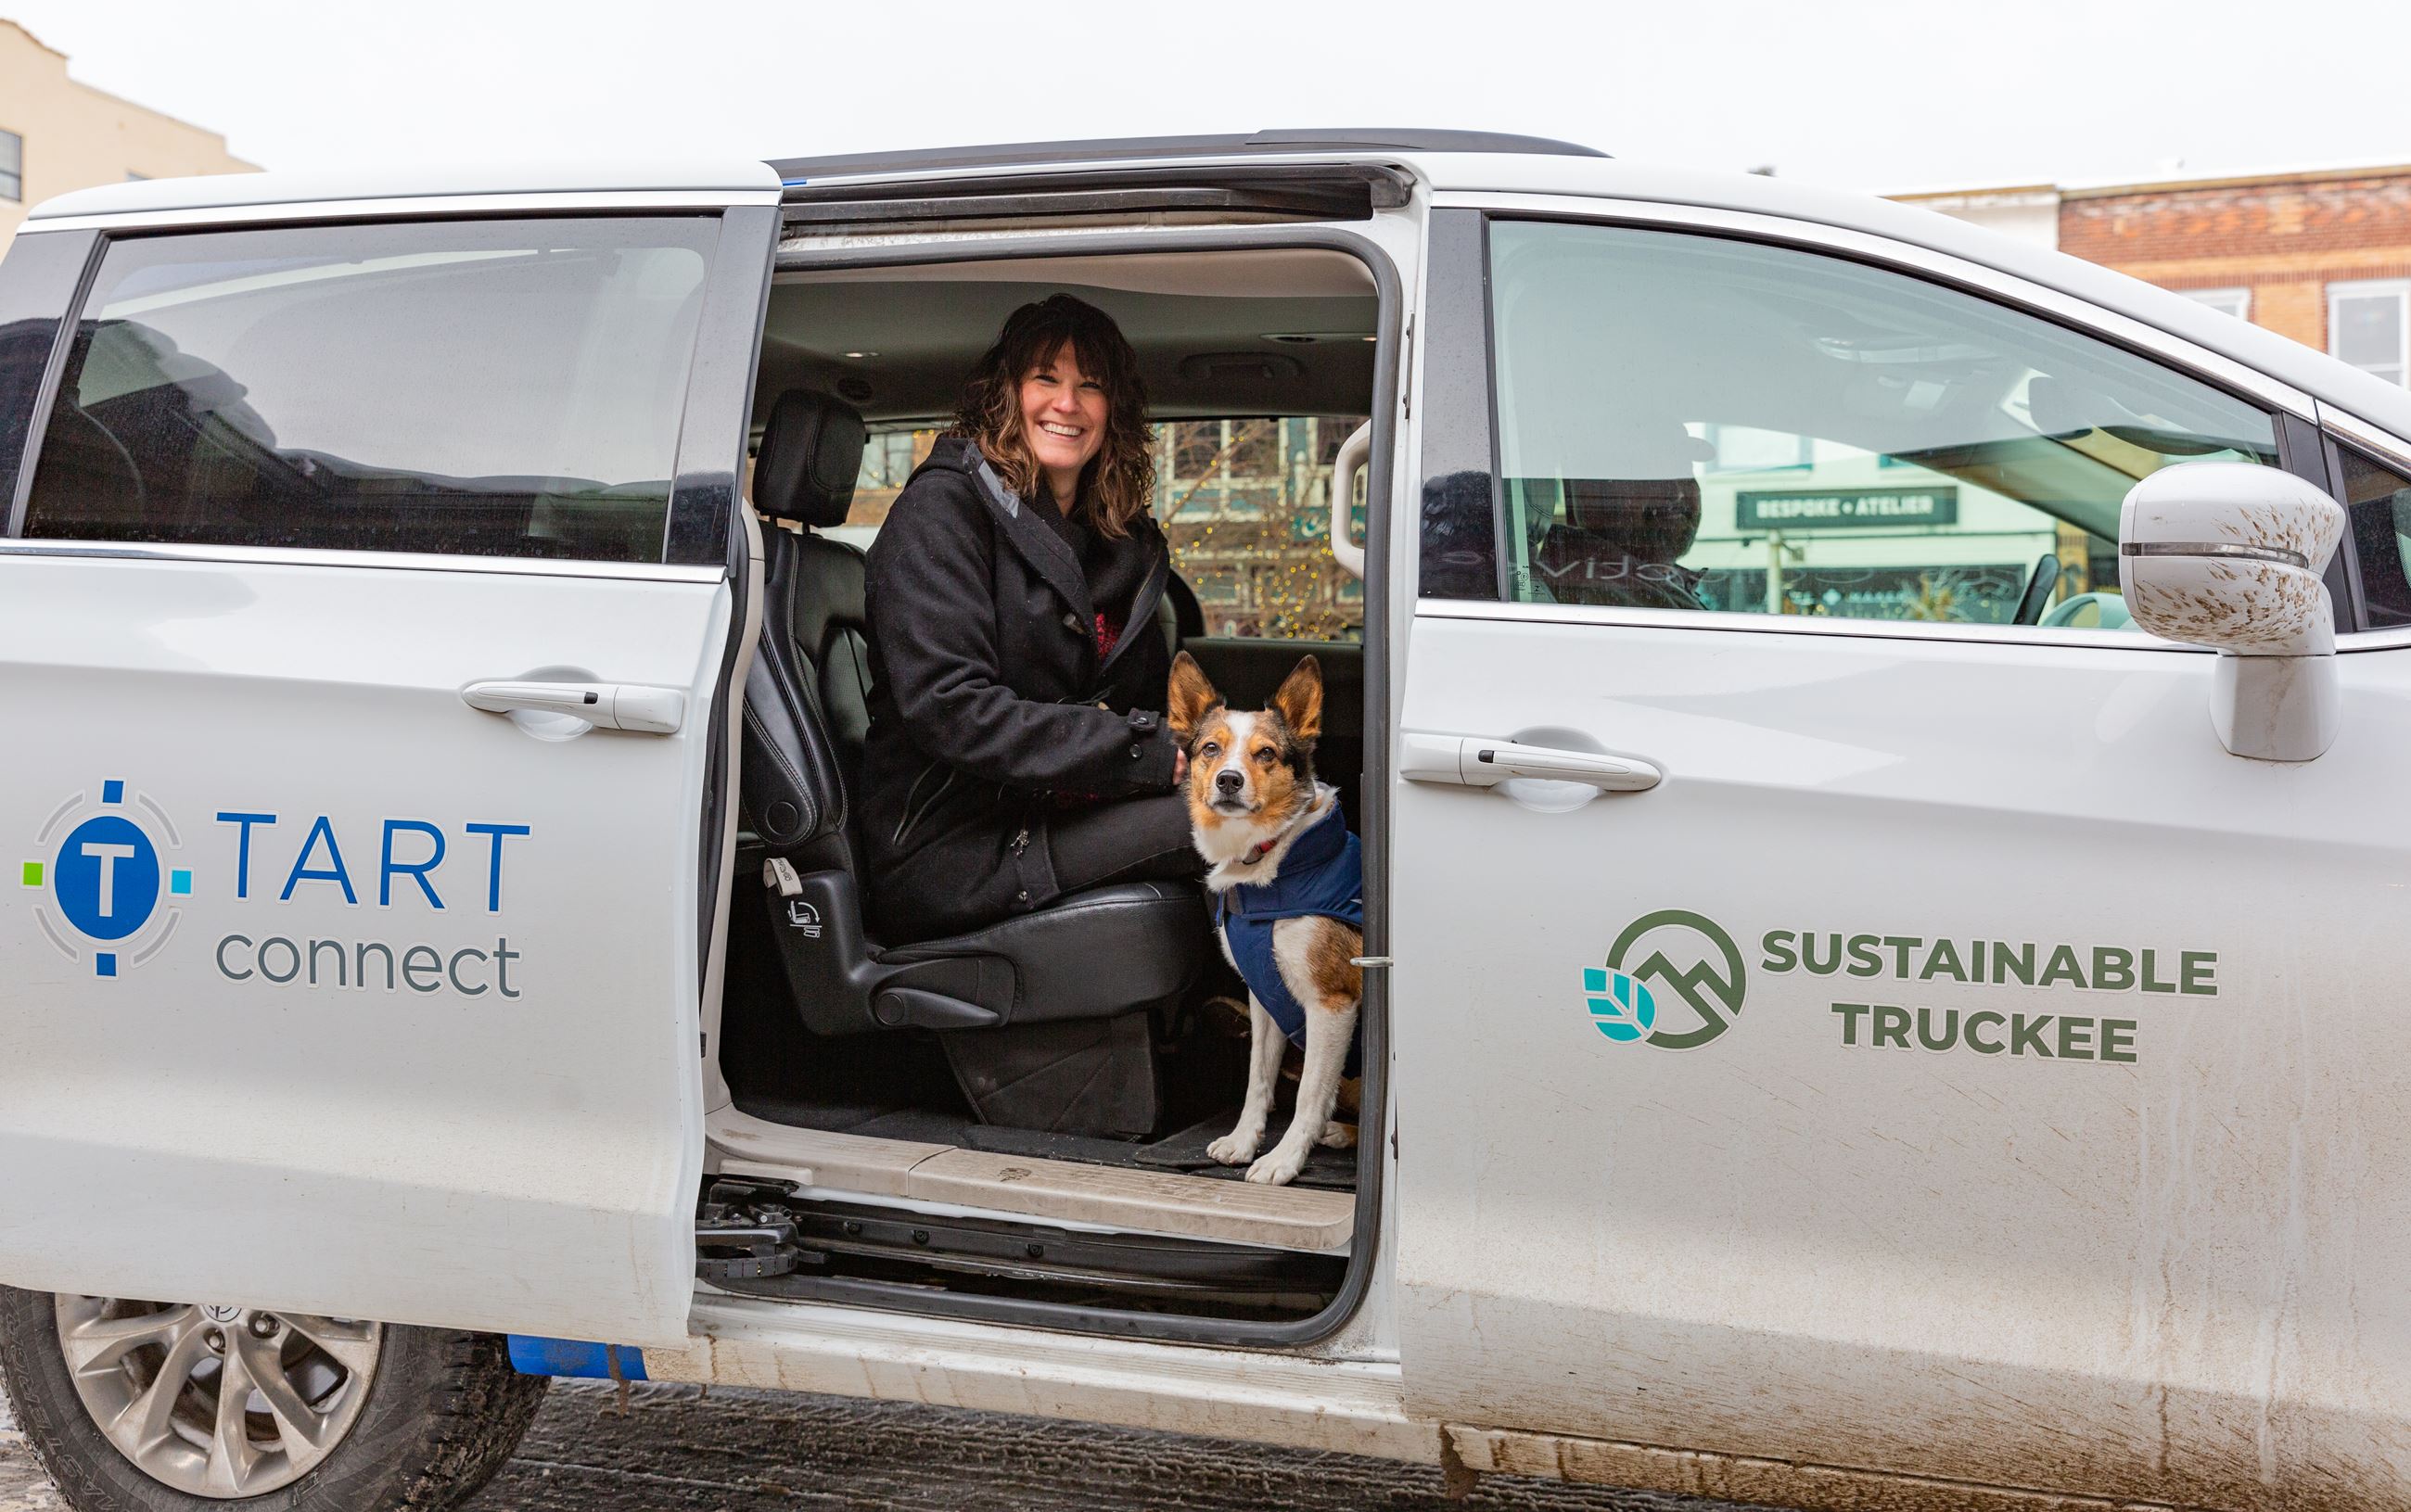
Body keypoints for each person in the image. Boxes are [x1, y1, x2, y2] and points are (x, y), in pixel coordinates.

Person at [860, 295, 1201, 944]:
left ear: (1113, 412)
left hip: (1059, 809)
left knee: (1271, 801)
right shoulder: (941, 515)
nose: (1067, 404)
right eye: (1046, 378)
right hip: (953, 845)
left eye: (1090, 386)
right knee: (1240, 824)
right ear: (1006, 394)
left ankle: (1235, 1024)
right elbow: (950, 707)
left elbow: (1155, 702)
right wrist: (1134, 750)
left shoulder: (1116, 543)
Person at [1528, 422, 1715, 611]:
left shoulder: (1645, 581)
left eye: (1684, 472)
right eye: (1652, 477)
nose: (1677, 493)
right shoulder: (1597, 590)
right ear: (1594, 490)